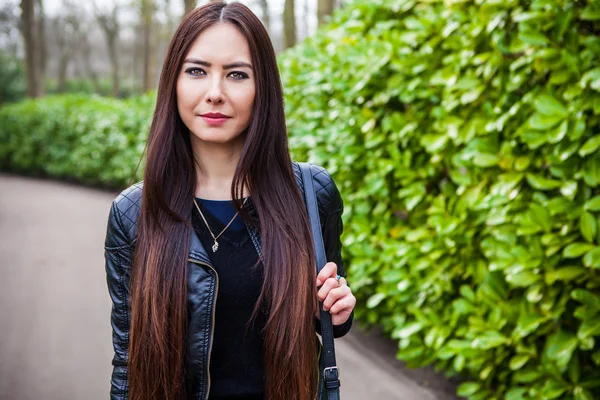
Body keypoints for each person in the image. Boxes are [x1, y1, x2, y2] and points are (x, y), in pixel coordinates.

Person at [103, 2, 356, 400]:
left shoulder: (311, 194)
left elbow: (324, 313)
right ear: (174, 82)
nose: (215, 93)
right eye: (197, 71)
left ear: (263, 89)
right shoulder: (133, 214)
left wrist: (335, 312)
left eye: (237, 74)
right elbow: (127, 362)